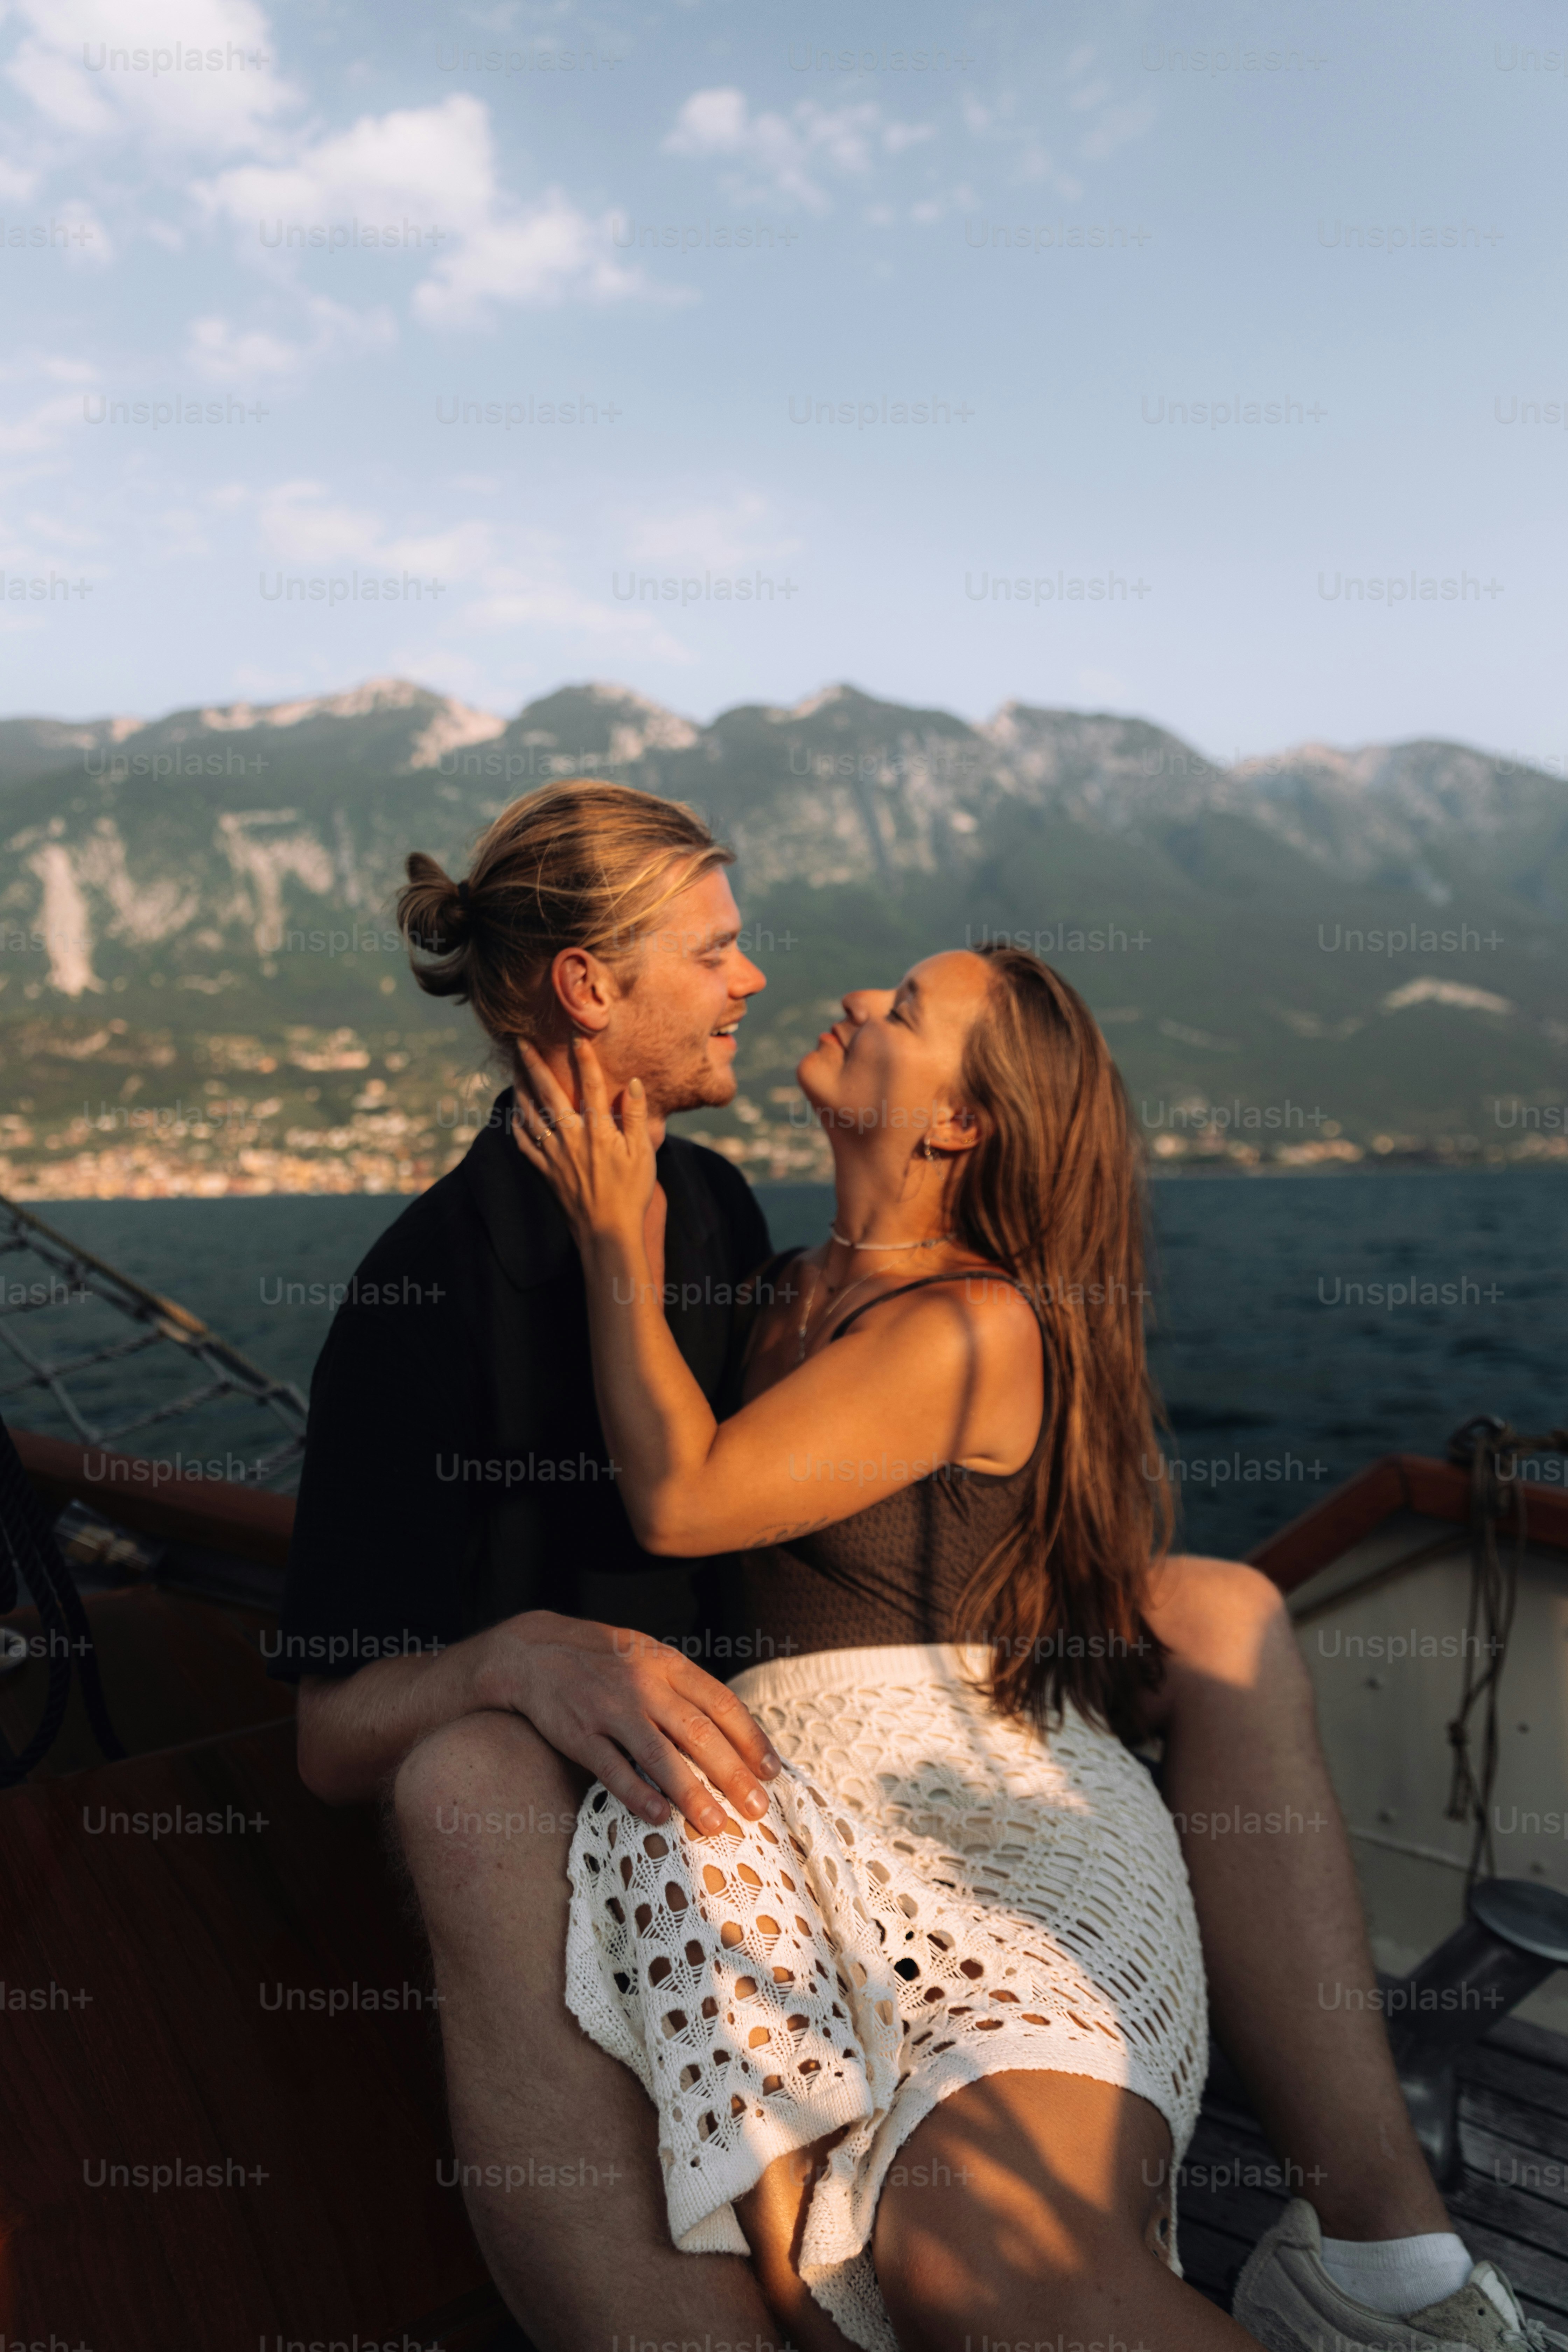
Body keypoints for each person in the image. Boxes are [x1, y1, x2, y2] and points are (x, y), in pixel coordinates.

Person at [279, 778, 1515, 2352]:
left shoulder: (717, 1214)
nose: (766, 981)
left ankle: (1371, 2242)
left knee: (1210, 1612)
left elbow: (784, 1500)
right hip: (719, 1832)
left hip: (891, 1831)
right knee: (473, 1783)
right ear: (591, 988)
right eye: (718, 949)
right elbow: (333, 1734)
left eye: (887, 1001)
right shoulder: (420, 1306)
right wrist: (512, 1655)